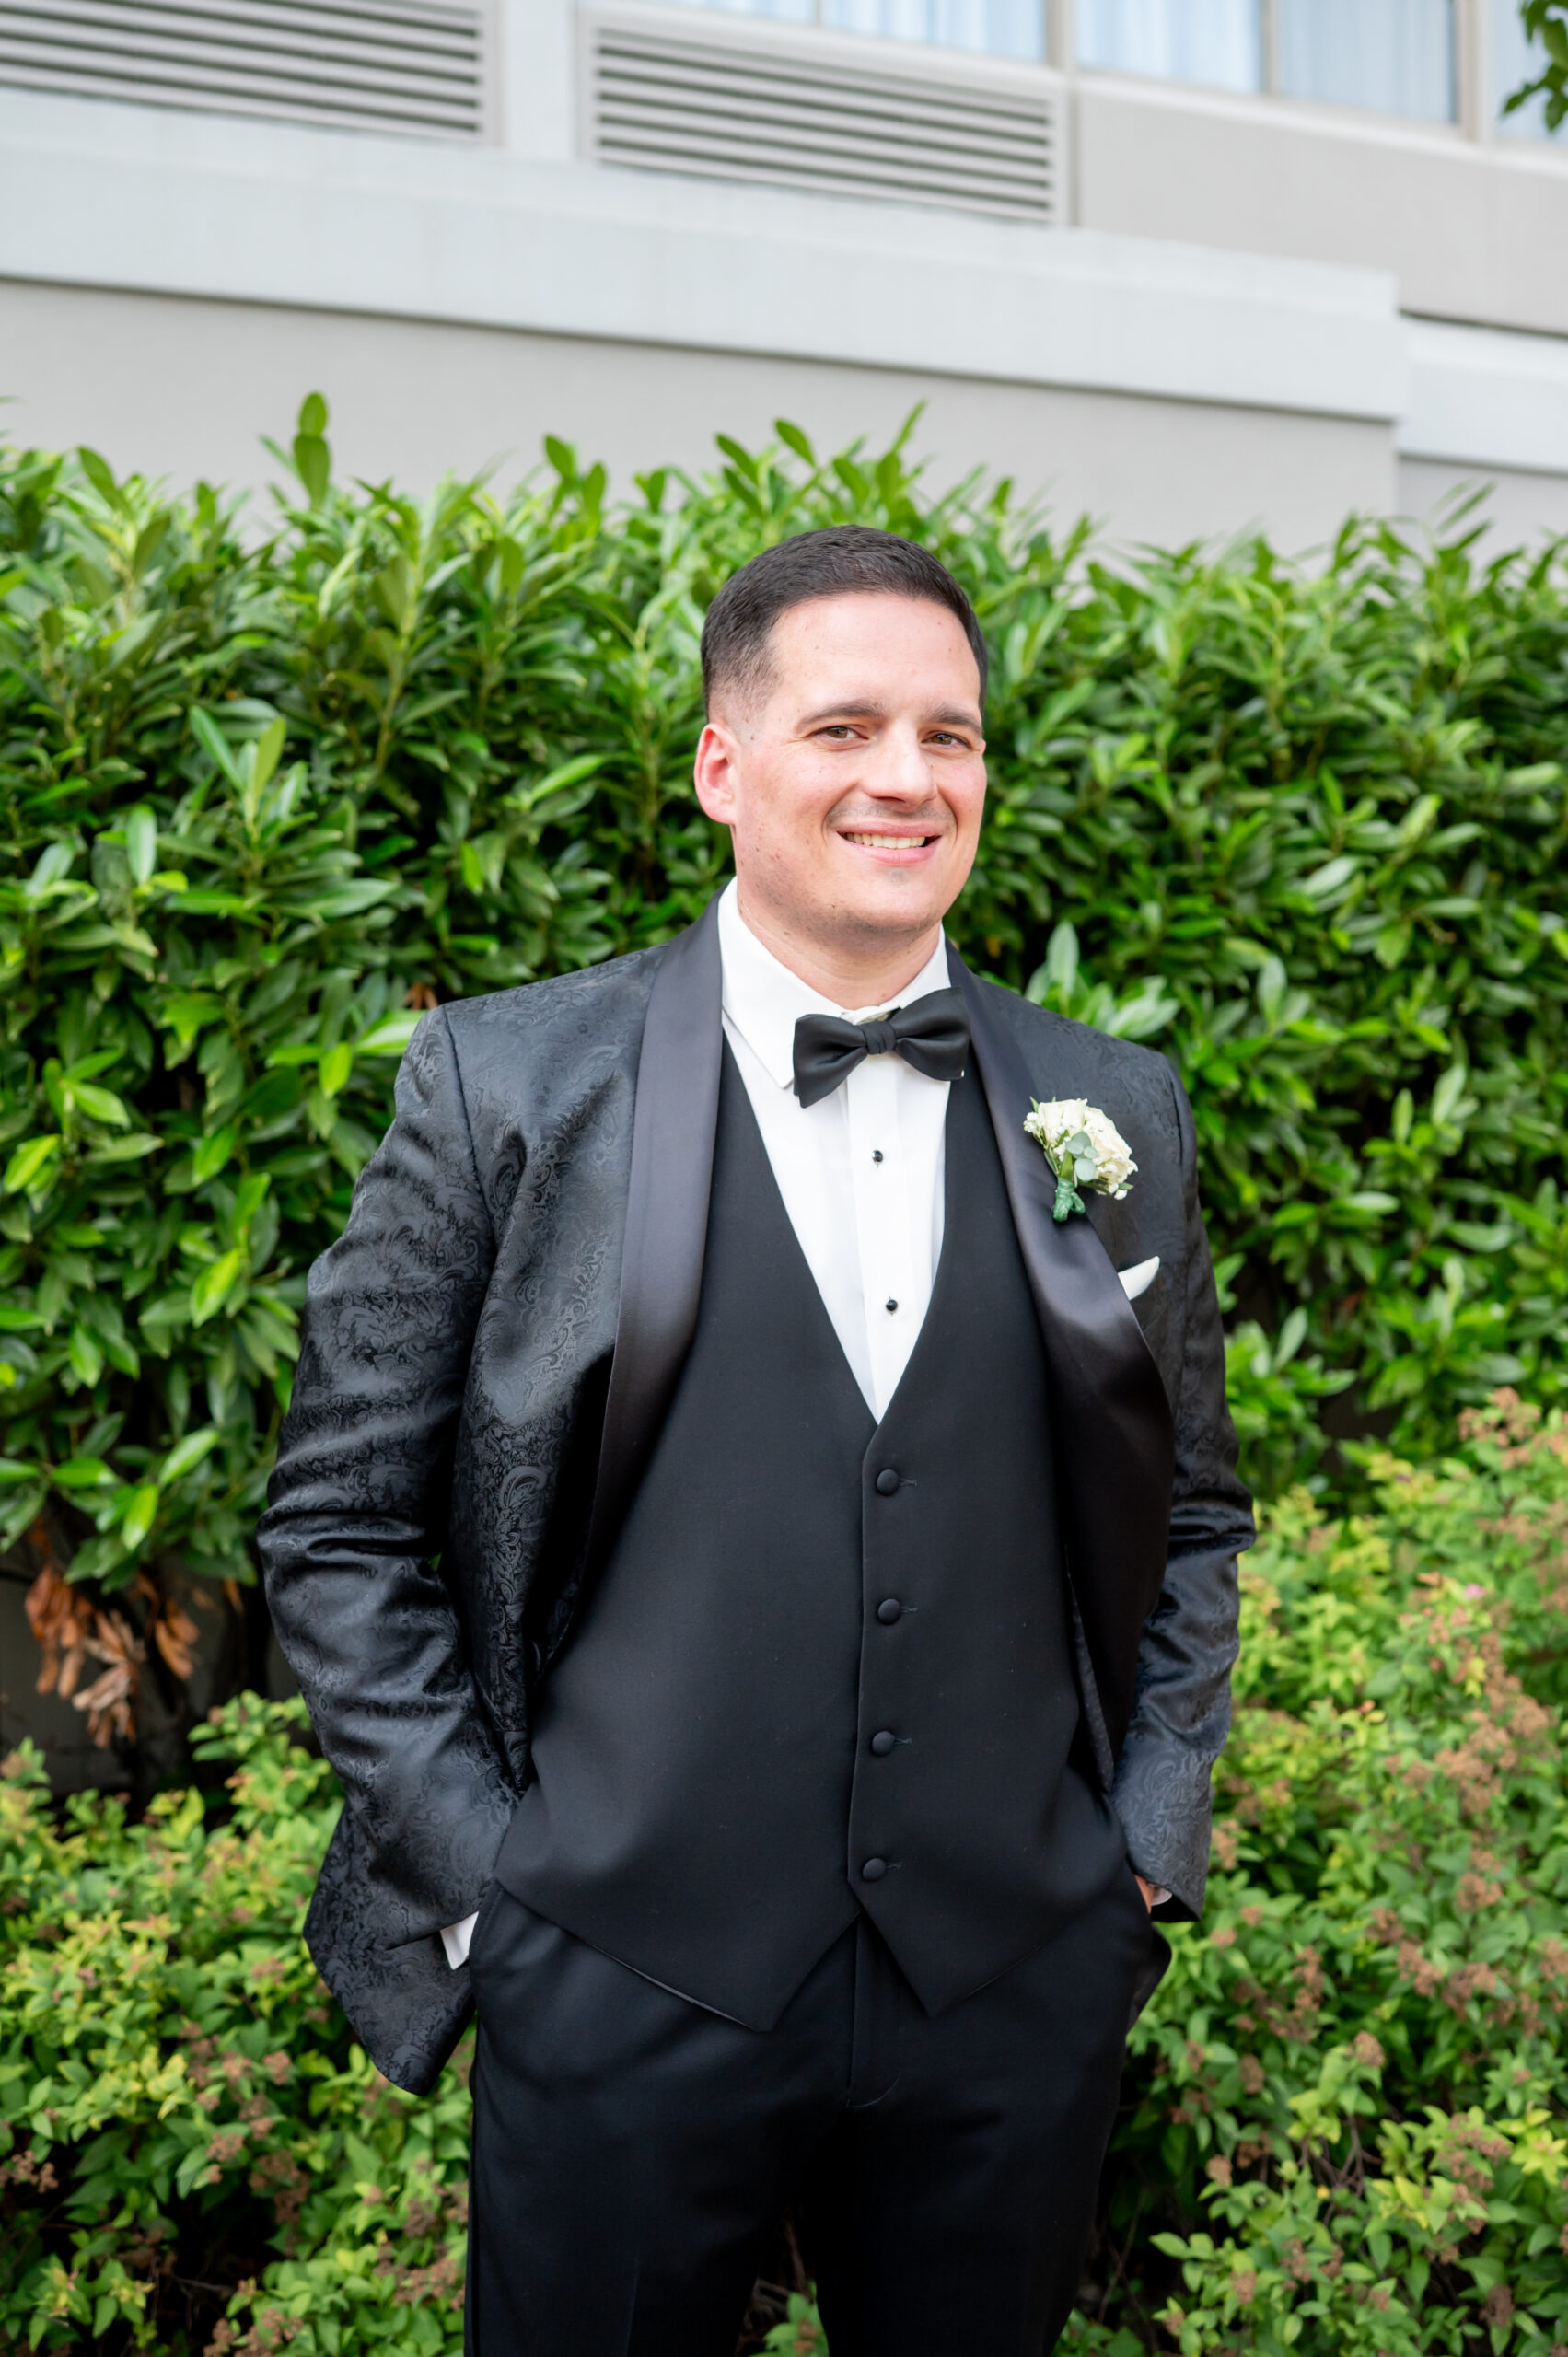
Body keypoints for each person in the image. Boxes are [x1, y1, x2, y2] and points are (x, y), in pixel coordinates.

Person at [260, 525, 1253, 2357]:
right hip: (614, 1977)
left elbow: (1192, 1509)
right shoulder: (508, 1087)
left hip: (1013, 1987)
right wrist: (495, 1881)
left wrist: (1141, 1842)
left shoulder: (1113, 1106)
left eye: (950, 734)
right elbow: (337, 1520)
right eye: (846, 728)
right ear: (723, 764)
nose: (909, 776)